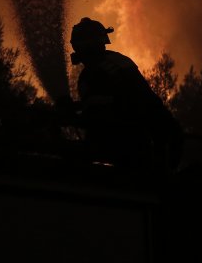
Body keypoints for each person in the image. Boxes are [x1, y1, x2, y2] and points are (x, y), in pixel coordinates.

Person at [70, 17, 182, 172]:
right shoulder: (113, 63)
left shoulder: (97, 71)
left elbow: (115, 105)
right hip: (130, 140)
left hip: (128, 142)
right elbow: (102, 103)